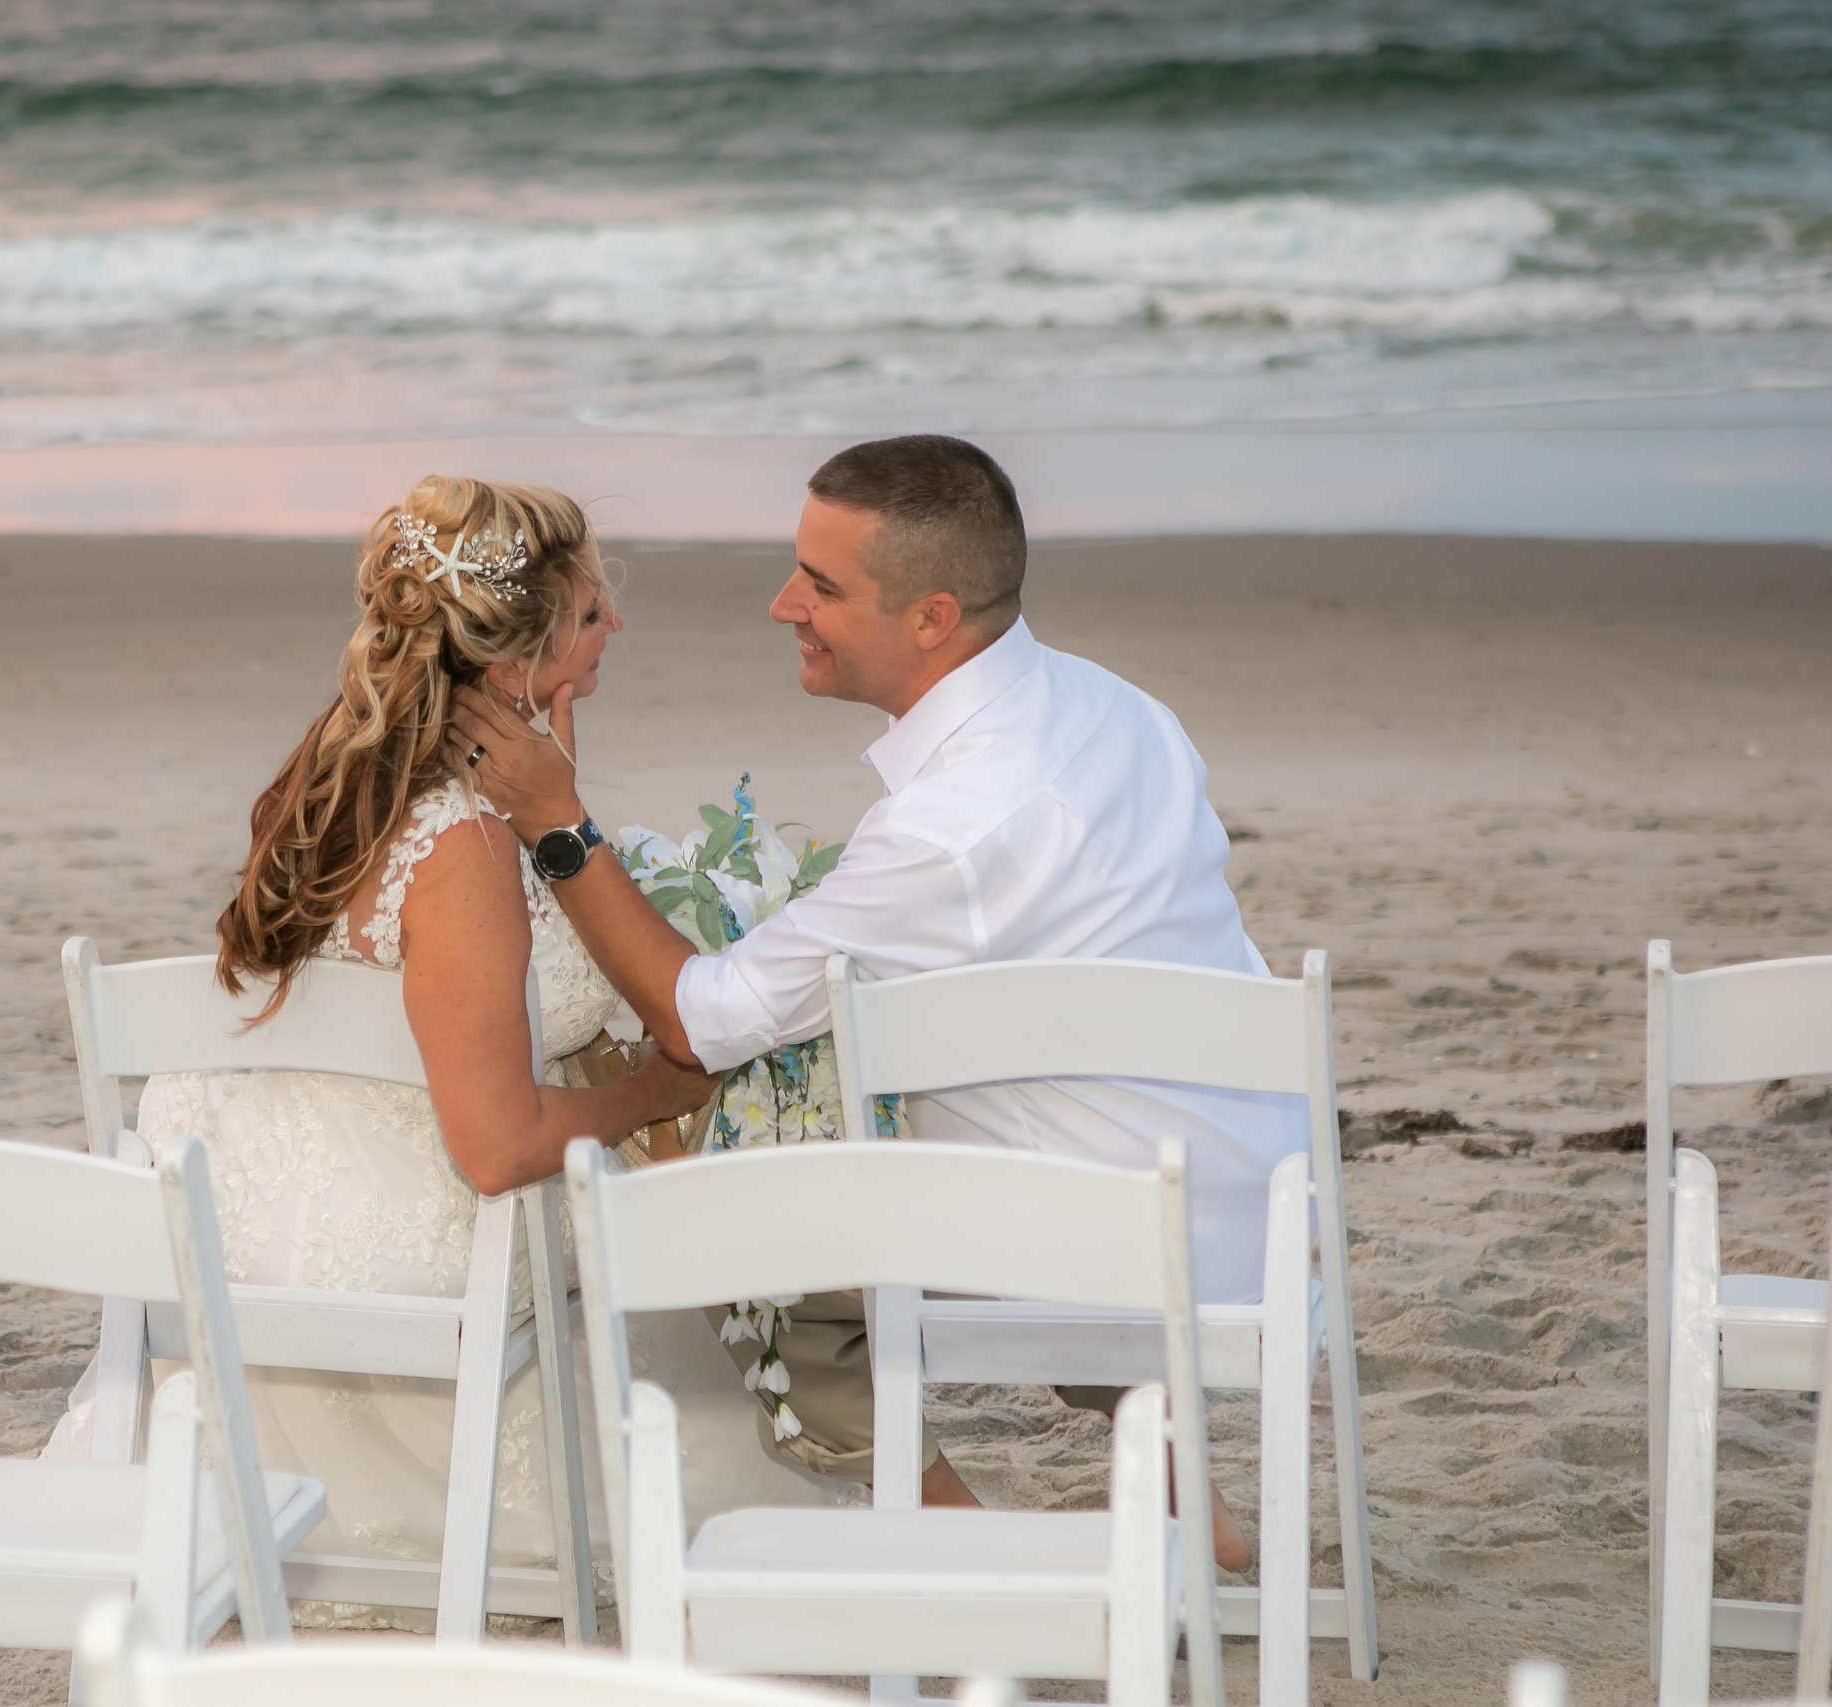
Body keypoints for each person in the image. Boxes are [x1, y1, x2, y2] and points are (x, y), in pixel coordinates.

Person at [453, 435, 1300, 1570]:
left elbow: (698, 1021)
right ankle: (1200, 1518)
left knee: (738, 1216)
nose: (780, 603)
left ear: (931, 619)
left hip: (1127, 1247)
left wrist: (558, 821)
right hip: (1252, 1195)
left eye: (821, 585)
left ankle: (984, 1562)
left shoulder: (953, 829)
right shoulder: (1117, 707)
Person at [44, 475, 852, 1621]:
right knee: (670, 1206)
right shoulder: (465, 841)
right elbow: (492, 1143)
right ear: (510, 655)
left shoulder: (323, 774)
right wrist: (656, 1085)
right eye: (585, 612)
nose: (613, 624)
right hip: (402, 1245)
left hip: (227, 1231)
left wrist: (555, 798)